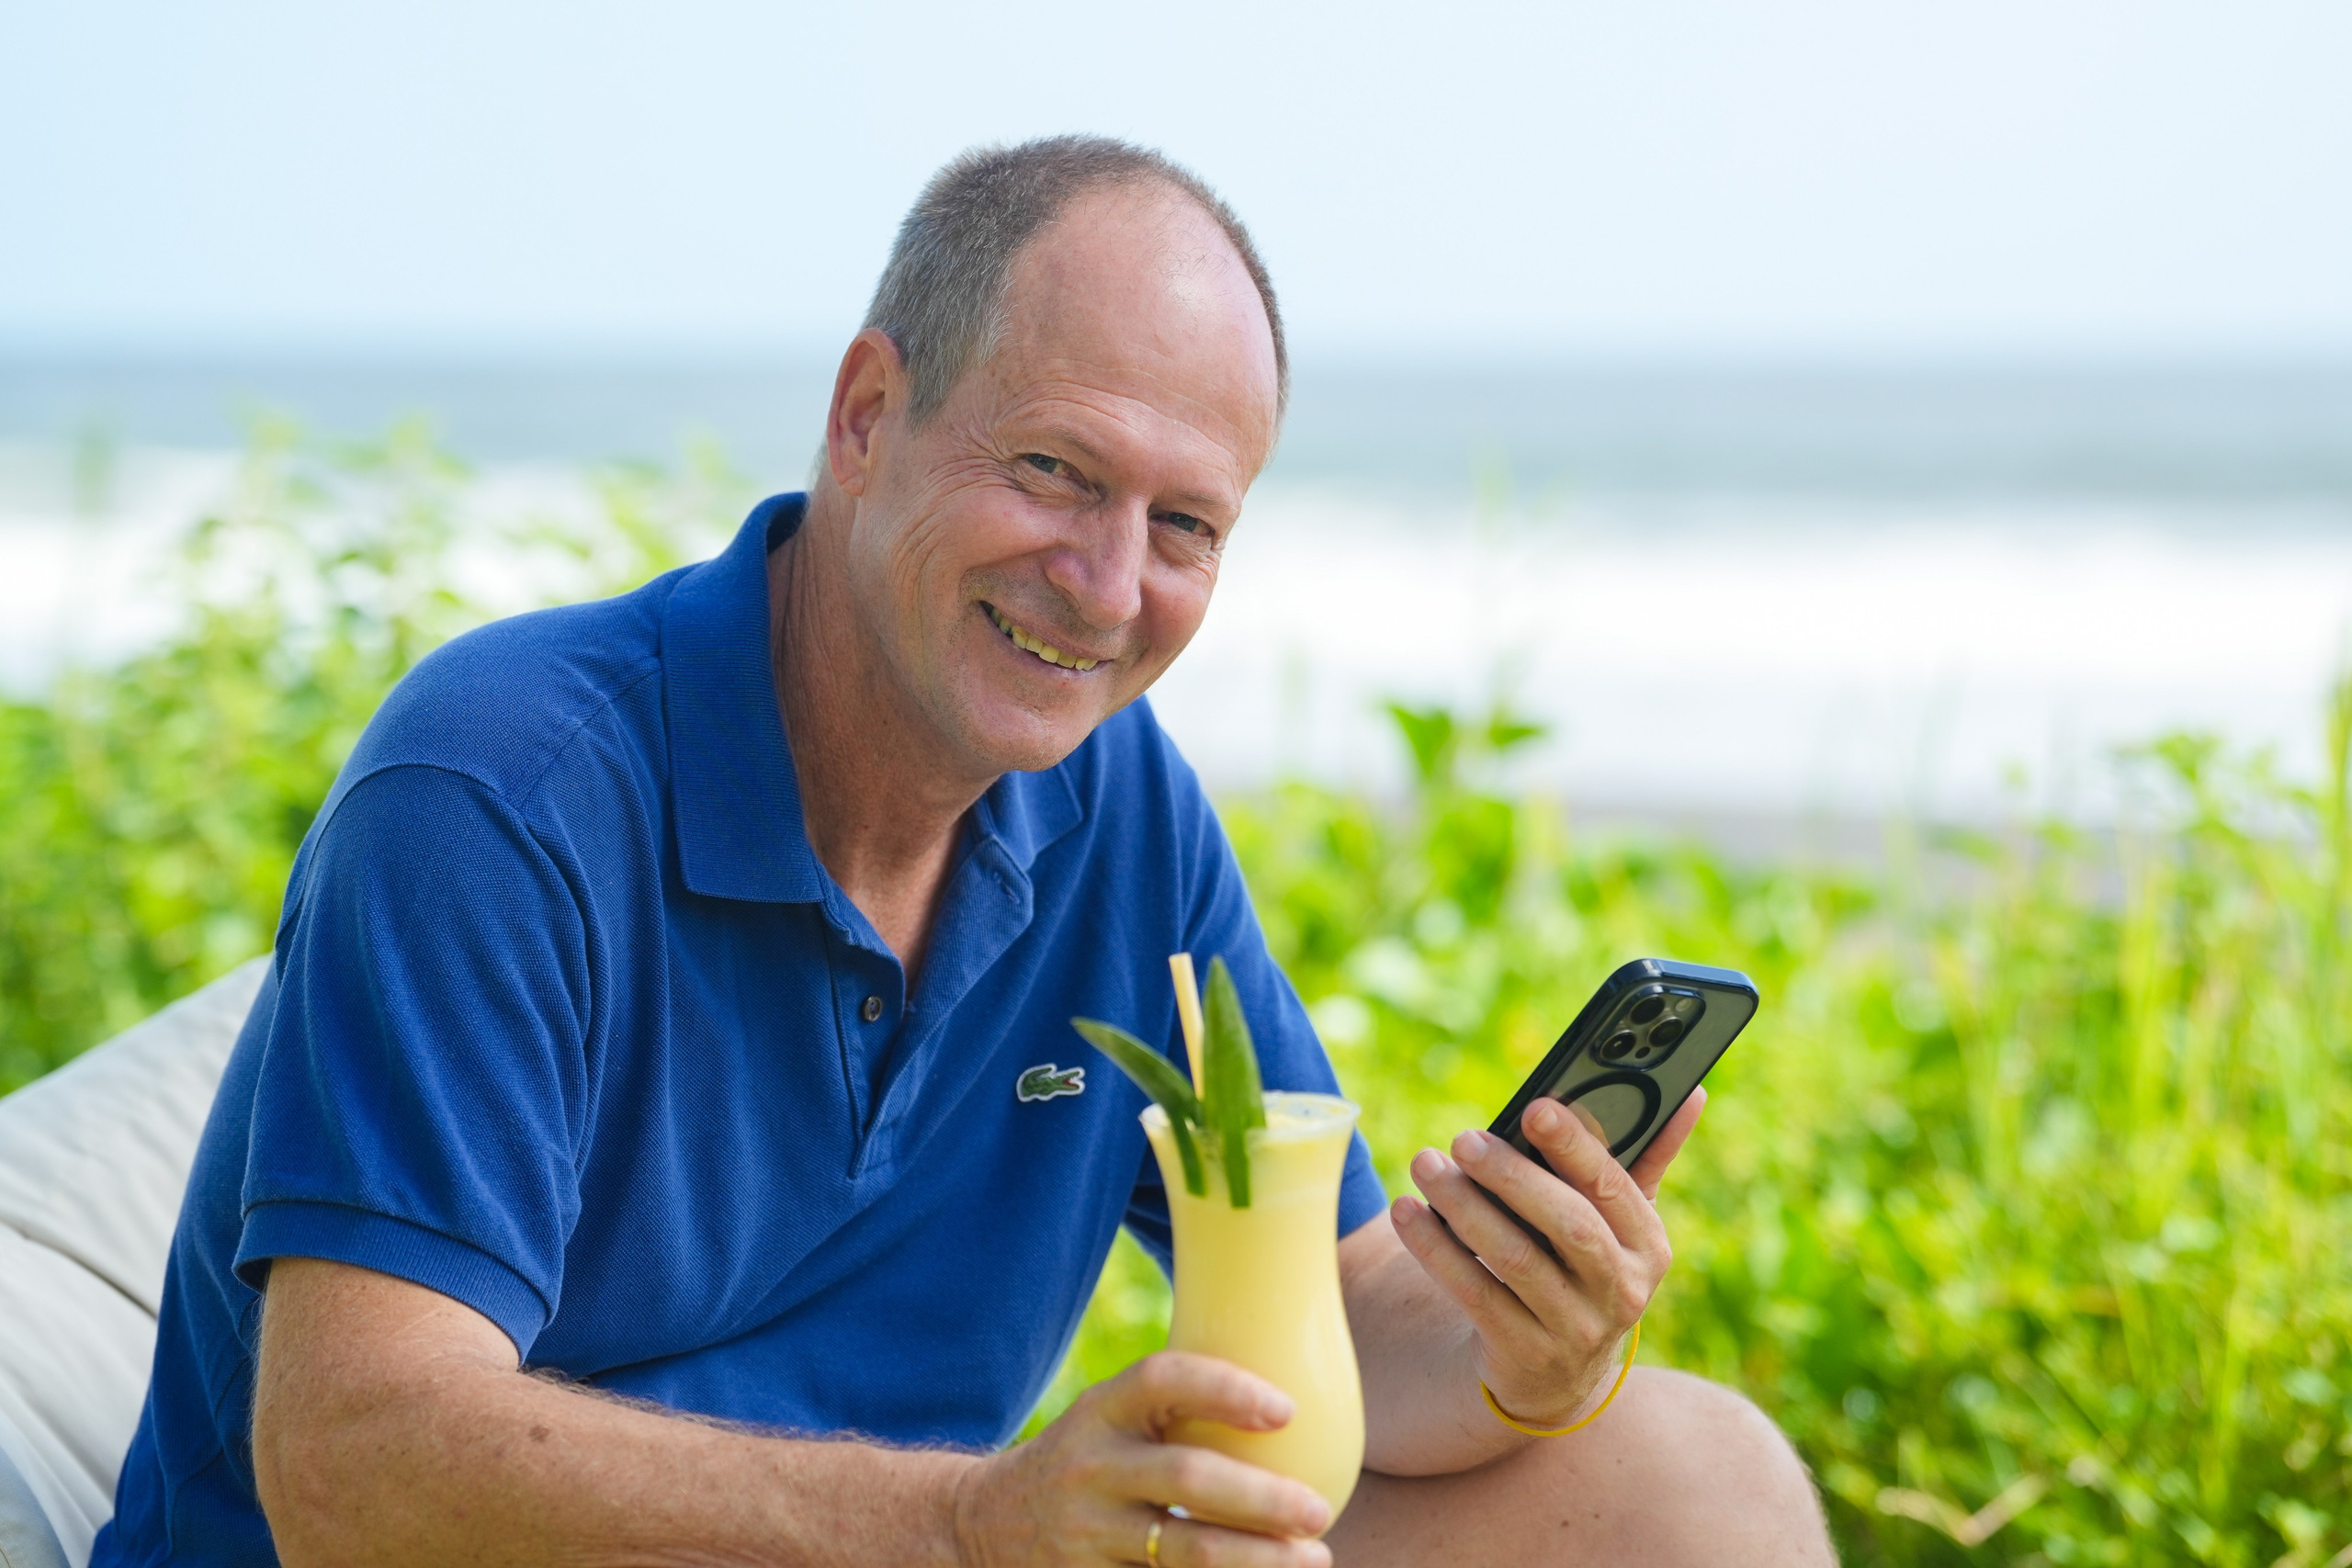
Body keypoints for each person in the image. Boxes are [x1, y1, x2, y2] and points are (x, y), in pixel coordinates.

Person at [95, 135, 1835, 1567]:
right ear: (866, 417)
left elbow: (1343, 1311)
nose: (1107, 582)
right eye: (1056, 469)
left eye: (1186, 526)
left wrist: (1532, 1348)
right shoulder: (504, 782)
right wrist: (963, 1524)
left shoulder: (1116, 808)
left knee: (1695, 1487)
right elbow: (353, 1469)